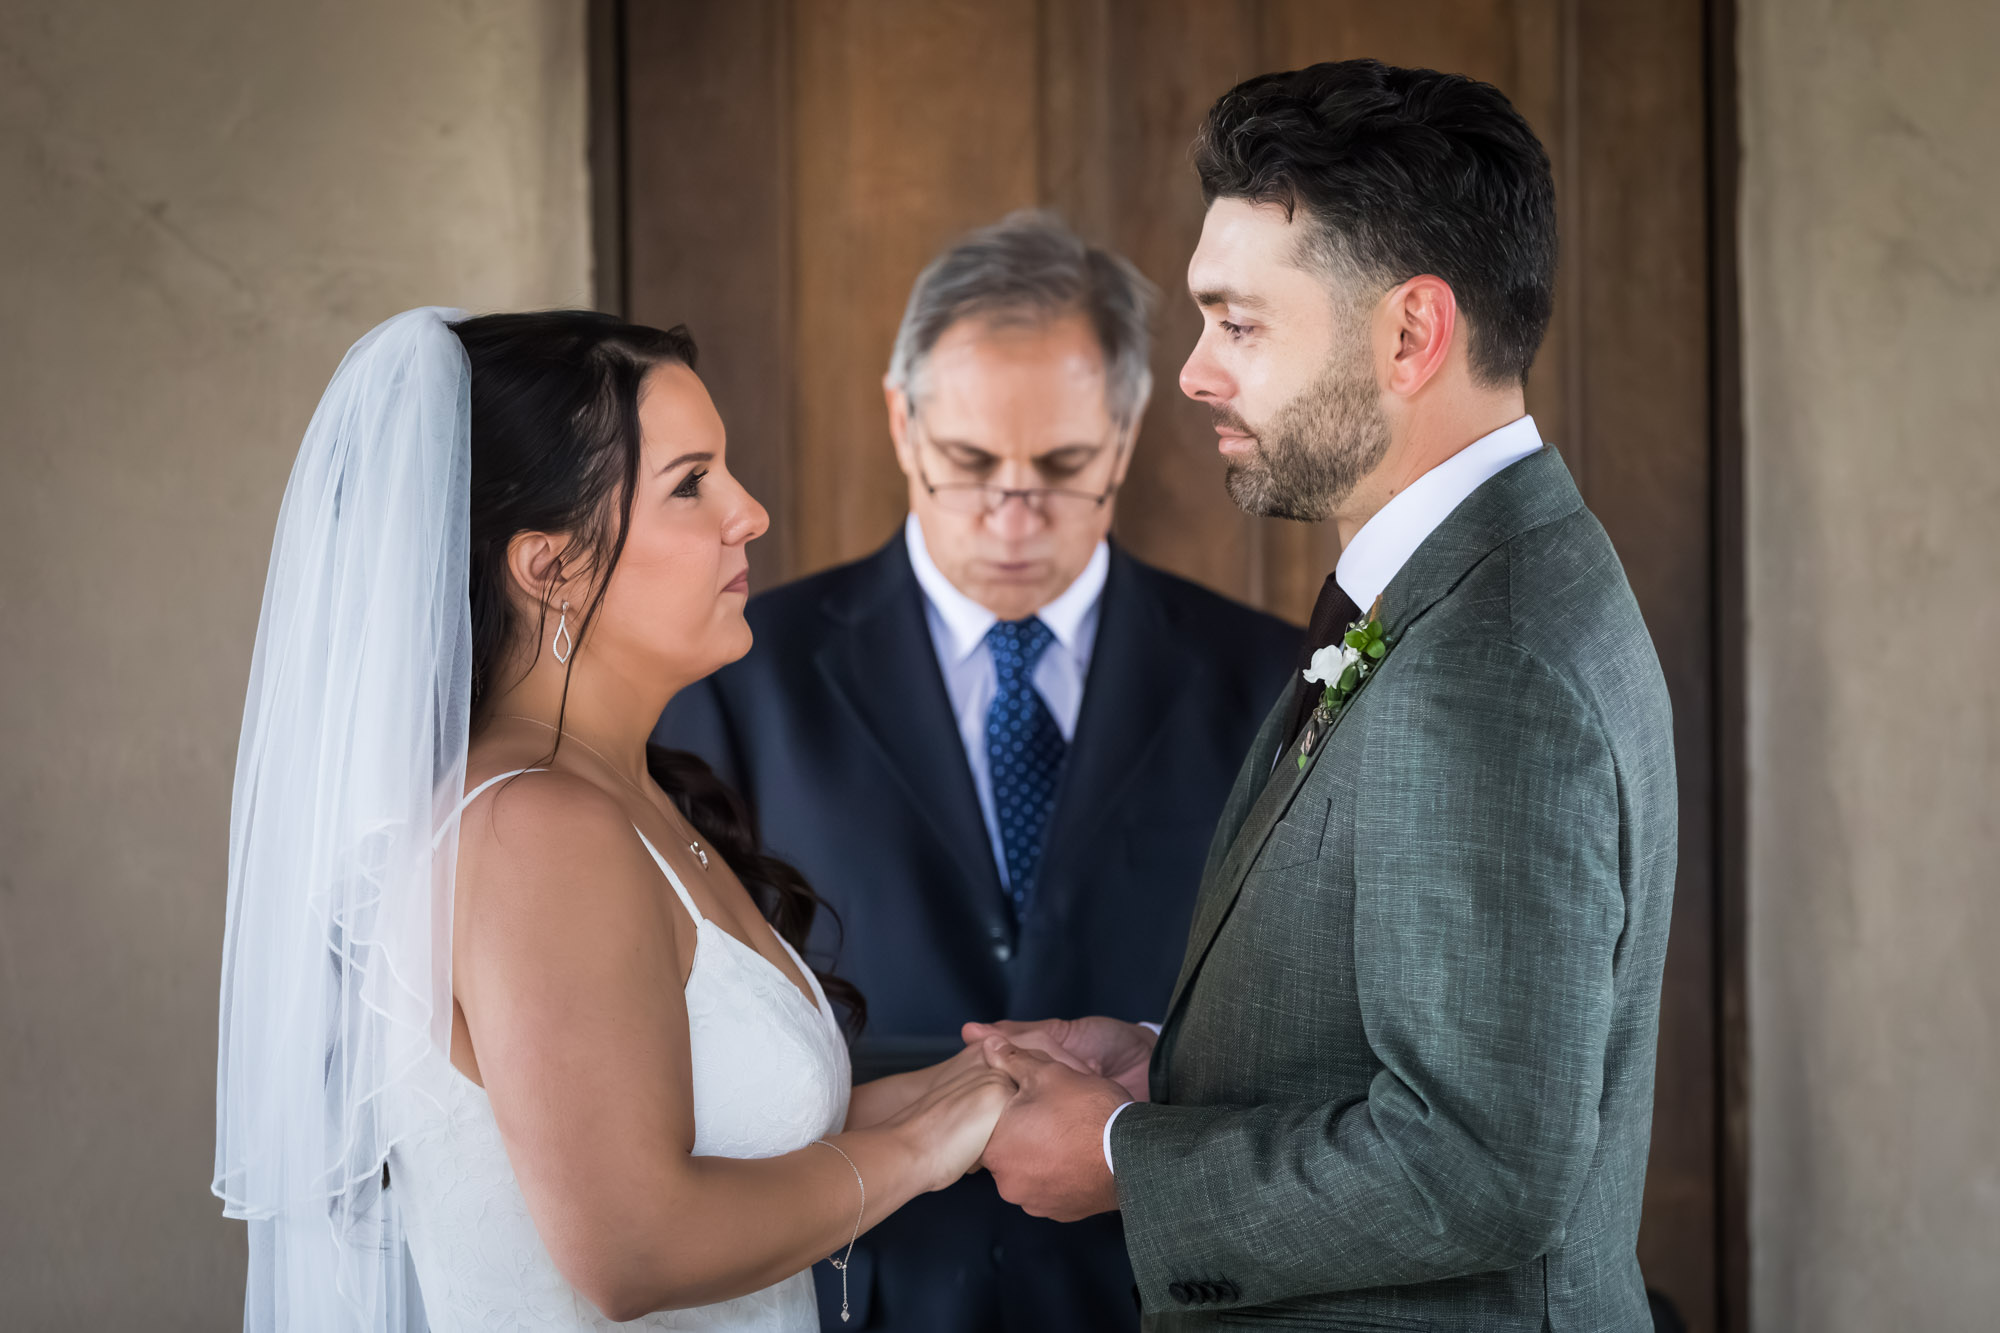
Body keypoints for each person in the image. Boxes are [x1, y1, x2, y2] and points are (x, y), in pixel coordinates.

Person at [969, 61, 1680, 1332]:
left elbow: (1478, 1162)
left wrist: (1129, 1156)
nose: (1191, 373)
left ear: (1410, 333)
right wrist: (1165, 1069)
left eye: (1238, 324)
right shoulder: (1474, 578)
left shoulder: (1488, 658)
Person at [213, 308, 1017, 1332]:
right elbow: (635, 1245)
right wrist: (925, 1147)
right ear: (549, 566)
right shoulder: (533, 830)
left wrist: (988, 1078)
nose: (750, 513)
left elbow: (712, 1130)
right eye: (692, 483)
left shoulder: (624, 797)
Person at [656, 213, 1298, 1331]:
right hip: (863, 1285)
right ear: (902, 423)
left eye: (1060, 468)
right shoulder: (740, 676)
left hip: (1160, 1291)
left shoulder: (1265, 679)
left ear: (1127, 430)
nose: (1011, 516)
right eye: (966, 465)